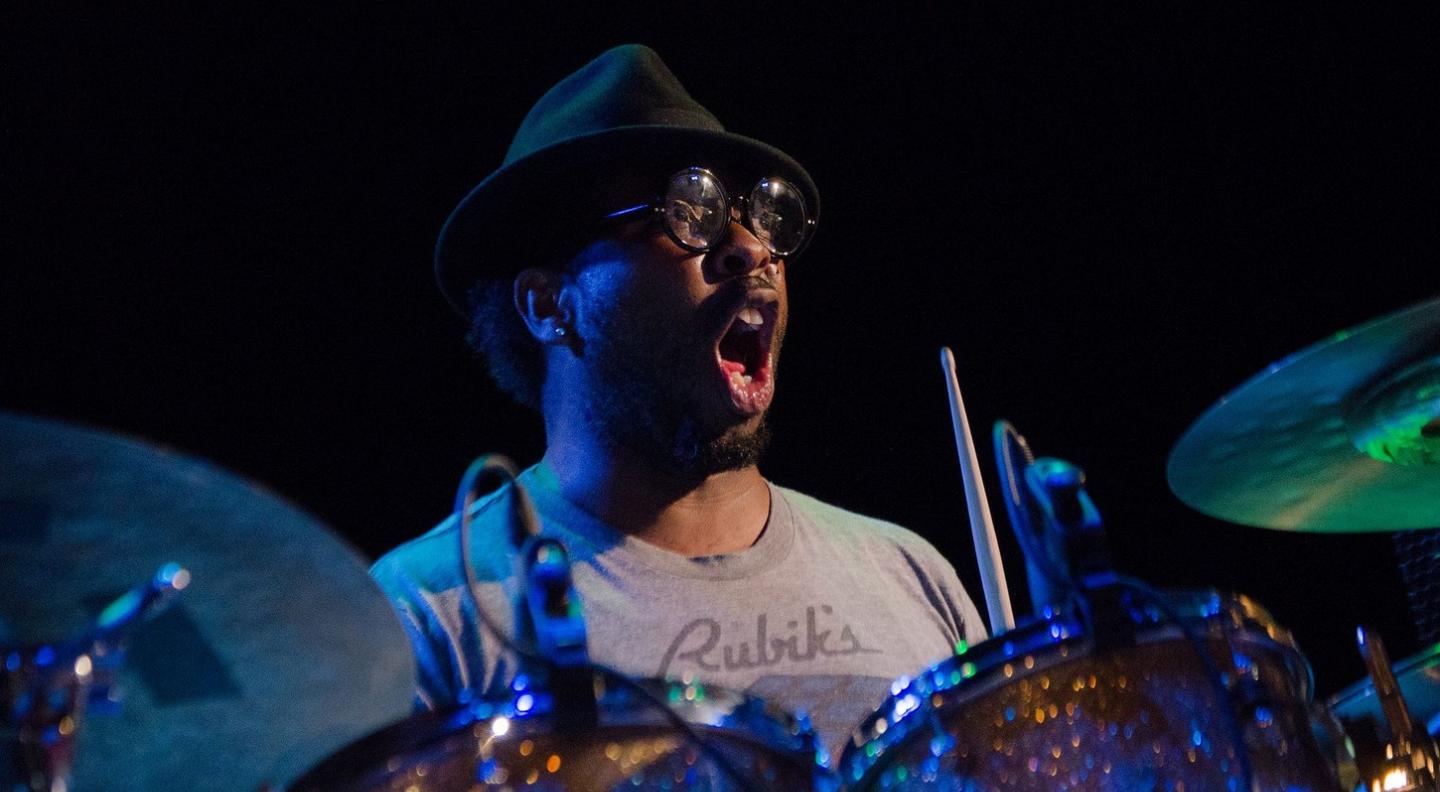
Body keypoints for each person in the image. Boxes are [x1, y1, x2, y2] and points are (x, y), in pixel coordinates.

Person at [371, 44, 986, 757]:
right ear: (548, 304)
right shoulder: (429, 616)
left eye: (760, 217)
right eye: (687, 214)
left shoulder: (909, 575)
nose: (751, 248)